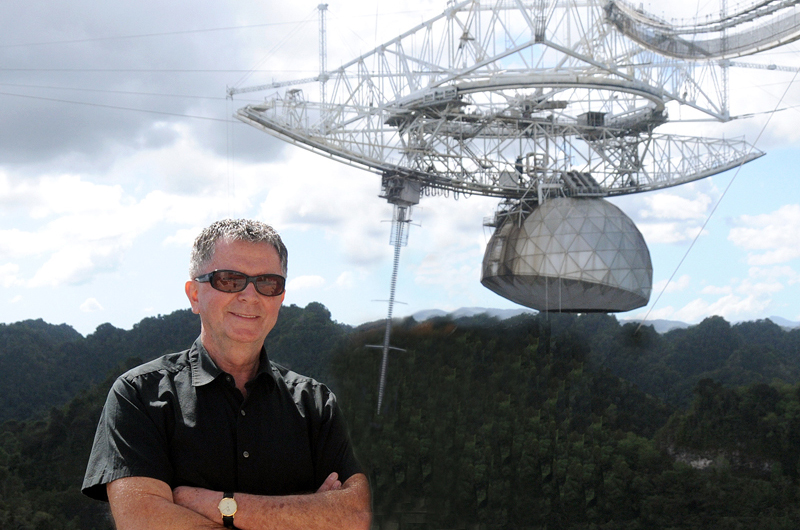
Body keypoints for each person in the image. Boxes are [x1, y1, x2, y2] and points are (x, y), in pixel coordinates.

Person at [82, 219, 371, 530]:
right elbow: (143, 521)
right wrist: (307, 514)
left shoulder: (316, 404)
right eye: (230, 280)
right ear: (194, 295)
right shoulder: (139, 394)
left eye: (268, 283)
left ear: (281, 297)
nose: (250, 295)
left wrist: (213, 504)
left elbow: (356, 515)